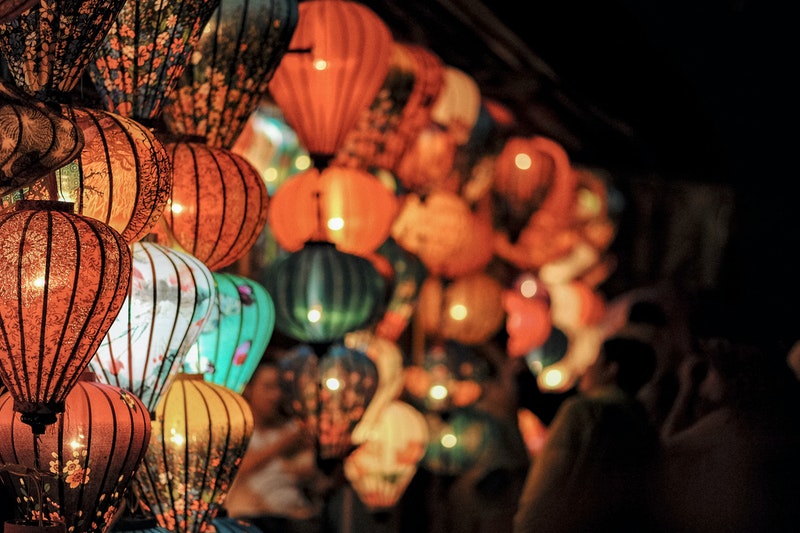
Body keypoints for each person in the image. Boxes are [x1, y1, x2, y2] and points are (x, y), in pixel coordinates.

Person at [512, 336, 660, 533]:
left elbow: (547, 488)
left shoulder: (583, 413)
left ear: (611, 369)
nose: (586, 368)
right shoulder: (643, 427)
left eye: (596, 360)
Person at [655, 336, 800, 533]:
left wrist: (685, 390)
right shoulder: (771, 419)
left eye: (712, 373)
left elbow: (667, 445)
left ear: (730, 379)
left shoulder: (731, 421)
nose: (705, 381)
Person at [224, 356, 329, 533]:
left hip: (296, 518)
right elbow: (242, 465)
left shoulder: (292, 430)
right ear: (248, 388)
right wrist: (286, 443)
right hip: (251, 520)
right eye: (268, 387)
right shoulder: (234, 431)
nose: (276, 395)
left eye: (280, 387)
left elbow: (315, 477)